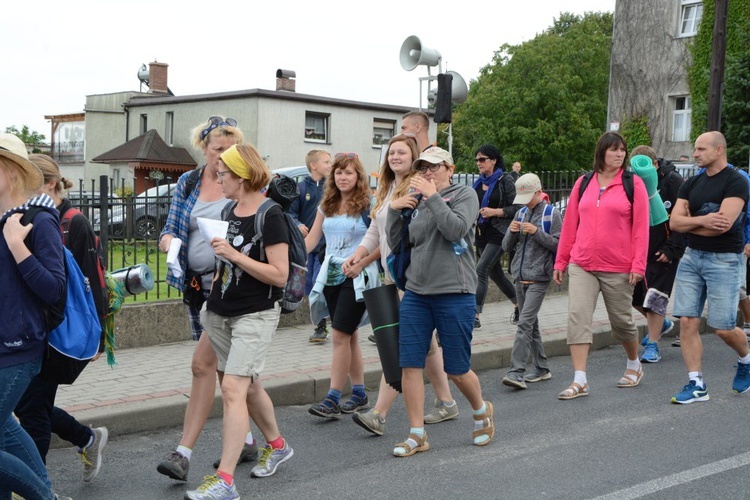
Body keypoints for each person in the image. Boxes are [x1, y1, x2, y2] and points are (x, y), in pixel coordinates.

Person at [185, 143, 294, 499]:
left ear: (243, 175)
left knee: (233, 388)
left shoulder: (271, 215)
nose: (218, 179)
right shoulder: (230, 209)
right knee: (248, 386)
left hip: (255, 315)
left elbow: (279, 275)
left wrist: (233, 254)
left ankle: (225, 481)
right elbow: (225, 263)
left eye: (224, 173)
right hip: (219, 312)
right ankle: (277, 445)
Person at [157, 117, 259, 481]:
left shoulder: (241, 181)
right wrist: (168, 240)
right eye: (217, 150)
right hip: (196, 287)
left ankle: (183, 453)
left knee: (207, 366)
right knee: (228, 371)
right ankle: (255, 440)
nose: (222, 158)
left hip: (231, 289)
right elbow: (171, 225)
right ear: (203, 147)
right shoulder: (187, 182)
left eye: (229, 151)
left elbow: (258, 226)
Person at [345, 134, 458, 435]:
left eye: (402, 153)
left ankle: (378, 413)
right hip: (391, 275)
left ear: (414, 158)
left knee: (399, 343)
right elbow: (375, 229)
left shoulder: (417, 187)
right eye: (391, 152)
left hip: (410, 276)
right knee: (426, 345)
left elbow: (400, 238)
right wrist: (359, 254)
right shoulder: (387, 187)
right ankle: (447, 402)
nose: (395, 157)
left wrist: (367, 260)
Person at [386, 146, 494, 457]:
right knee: (409, 365)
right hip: (417, 293)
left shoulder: (464, 195)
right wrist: (395, 212)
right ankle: (416, 433)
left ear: (450, 168)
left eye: (434, 167)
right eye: (423, 168)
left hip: (454, 291)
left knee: (456, 369)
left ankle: (480, 410)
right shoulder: (417, 201)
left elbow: (456, 230)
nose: (428, 173)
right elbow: (400, 243)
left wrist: (433, 198)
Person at [14, 154, 109, 483]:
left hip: (56, 332)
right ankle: (87, 438)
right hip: (33, 327)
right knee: (30, 407)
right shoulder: (28, 217)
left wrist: (101, 336)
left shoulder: (72, 221)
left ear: (51, 184)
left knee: (30, 410)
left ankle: (35, 484)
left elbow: (93, 279)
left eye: (30, 182)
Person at [553, 131, 649, 400]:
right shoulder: (584, 182)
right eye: (614, 150)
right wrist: (561, 260)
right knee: (578, 318)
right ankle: (580, 379)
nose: (620, 154)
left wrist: (638, 265)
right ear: (602, 152)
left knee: (621, 322)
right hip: (582, 262)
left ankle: (633, 364)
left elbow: (641, 228)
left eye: (622, 150)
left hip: (618, 265)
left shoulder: (634, 183)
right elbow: (571, 224)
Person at [0, 133, 67, 499]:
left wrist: (17, 247)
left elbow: (55, 288)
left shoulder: (38, 222)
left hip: (19, 347)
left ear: (10, 171)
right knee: (5, 431)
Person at [668, 131, 750, 404]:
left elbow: (724, 225)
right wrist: (703, 222)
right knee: (688, 321)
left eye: (701, 149)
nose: (695, 154)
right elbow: (674, 224)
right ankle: (697, 383)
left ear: (719, 150)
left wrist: (691, 223)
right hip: (691, 258)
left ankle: (746, 359)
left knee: (723, 327)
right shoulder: (690, 183)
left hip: (725, 260)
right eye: (695, 148)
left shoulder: (737, 181)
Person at [305, 153, 381, 418]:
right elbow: (312, 240)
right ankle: (359, 392)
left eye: (348, 173)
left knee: (339, 336)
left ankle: (332, 398)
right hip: (332, 275)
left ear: (358, 176)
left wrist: (361, 262)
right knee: (349, 336)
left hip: (358, 276)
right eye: (338, 172)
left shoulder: (368, 203)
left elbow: (383, 241)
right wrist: (286, 257)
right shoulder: (326, 203)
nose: (343, 177)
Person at [500, 173, 562, 389]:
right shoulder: (520, 212)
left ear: (538, 192)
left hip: (539, 278)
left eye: (528, 196)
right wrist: (511, 230)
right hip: (519, 276)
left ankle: (516, 372)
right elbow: (506, 247)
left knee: (524, 323)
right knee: (531, 324)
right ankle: (542, 368)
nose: (524, 201)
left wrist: (536, 232)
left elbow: (559, 245)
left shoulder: (551, 214)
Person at [627, 146, 685, 362]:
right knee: (634, 297)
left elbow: (682, 218)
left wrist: (672, 249)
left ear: (655, 164)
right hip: (640, 249)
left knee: (656, 297)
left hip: (665, 249)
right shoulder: (632, 182)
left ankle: (653, 345)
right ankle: (663, 324)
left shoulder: (672, 181)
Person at [472, 144, 521, 329]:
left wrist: (495, 211)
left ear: (493, 160)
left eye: (482, 159)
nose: (479, 163)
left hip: (500, 232)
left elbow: (518, 208)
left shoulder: (505, 180)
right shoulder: (478, 182)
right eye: (477, 160)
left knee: (481, 269)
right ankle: (520, 305)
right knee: (496, 273)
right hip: (482, 232)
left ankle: (474, 315)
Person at [288, 150, 332, 343]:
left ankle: (323, 324)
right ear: (313, 165)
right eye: (326, 162)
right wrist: (297, 225)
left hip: (326, 247)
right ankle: (319, 322)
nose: (331, 165)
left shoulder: (332, 189)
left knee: (319, 283)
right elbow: (289, 213)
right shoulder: (300, 188)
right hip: (307, 247)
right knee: (309, 286)